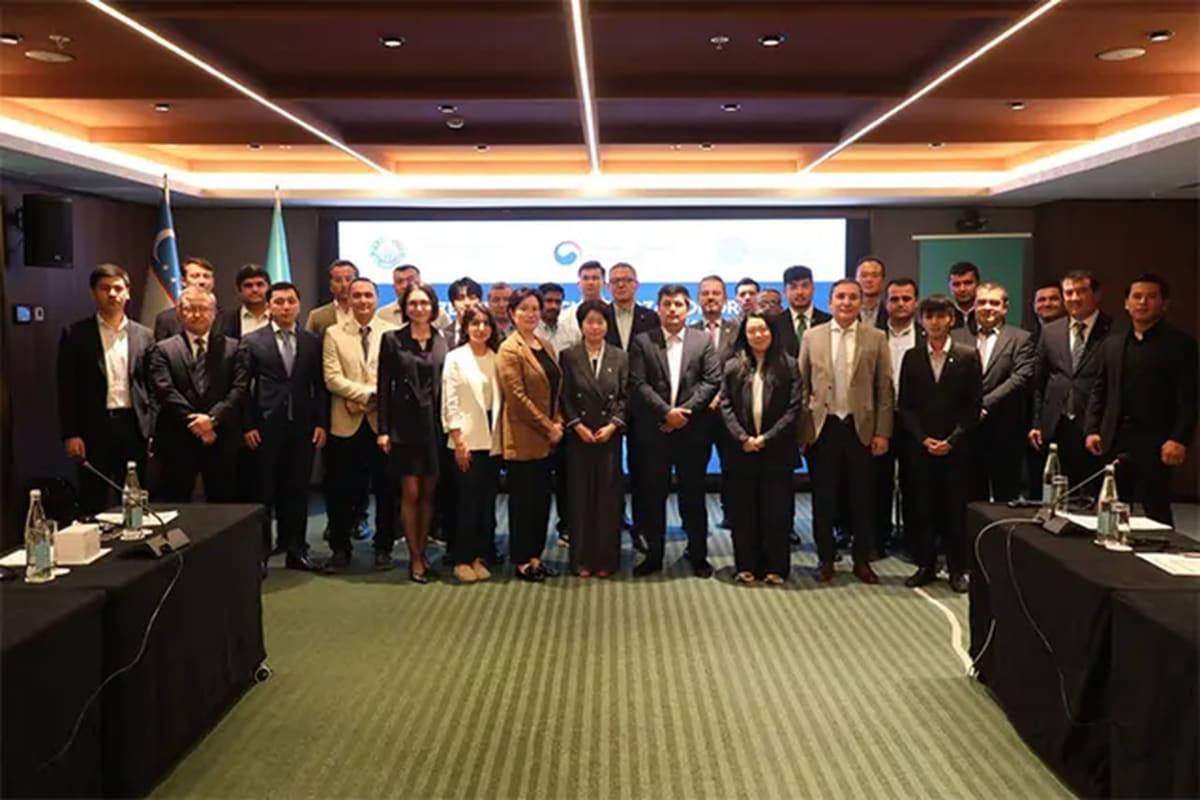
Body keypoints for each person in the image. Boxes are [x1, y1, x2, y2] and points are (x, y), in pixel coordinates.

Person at [798, 278, 893, 584]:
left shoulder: (876, 337)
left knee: (862, 499)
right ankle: (825, 559)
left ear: (861, 302)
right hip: (822, 428)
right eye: (841, 297)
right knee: (823, 498)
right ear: (830, 301)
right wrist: (802, 433)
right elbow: (802, 386)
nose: (847, 302)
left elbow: (884, 389)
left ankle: (862, 560)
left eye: (853, 297)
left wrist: (883, 432)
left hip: (860, 428)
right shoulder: (813, 336)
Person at [1086, 274, 1197, 526]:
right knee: (1111, 507)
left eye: (1151, 297)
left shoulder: (1181, 344)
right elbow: (1099, 391)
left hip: (1157, 443)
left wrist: (1179, 439)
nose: (1142, 302)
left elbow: (1189, 398)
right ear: (1126, 303)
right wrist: (1092, 429)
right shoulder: (1112, 344)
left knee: (1156, 512)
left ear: (1165, 304)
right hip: (1115, 440)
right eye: (1136, 297)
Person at [628, 284, 721, 577]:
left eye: (678, 304)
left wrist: (683, 413)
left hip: (692, 433)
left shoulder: (702, 340)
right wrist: (666, 413)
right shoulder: (643, 342)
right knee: (653, 495)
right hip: (655, 432)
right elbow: (638, 383)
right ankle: (653, 555)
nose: (672, 309)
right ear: (658, 308)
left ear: (687, 308)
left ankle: (698, 554)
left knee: (693, 495)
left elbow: (711, 380)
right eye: (666, 303)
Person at [239, 282, 328, 572]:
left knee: (297, 491)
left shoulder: (312, 341)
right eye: (279, 301)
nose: (285, 306)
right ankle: (260, 554)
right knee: (263, 492)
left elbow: (319, 387)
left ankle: (296, 550)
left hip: (302, 428)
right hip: (265, 428)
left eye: (291, 301)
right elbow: (242, 389)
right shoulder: (252, 341)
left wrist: (320, 423)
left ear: (299, 305)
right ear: (269, 307)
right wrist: (248, 425)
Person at [898, 295, 982, 592]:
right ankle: (926, 565)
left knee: (954, 510)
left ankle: (958, 568)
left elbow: (973, 407)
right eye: (929, 317)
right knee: (923, 507)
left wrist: (951, 440)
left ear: (951, 319)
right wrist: (923, 439)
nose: (934, 322)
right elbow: (905, 406)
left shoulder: (968, 355)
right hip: (921, 448)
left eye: (940, 316)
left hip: (956, 449)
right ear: (922, 322)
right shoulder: (912, 357)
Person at [57, 264, 155, 515]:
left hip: (134, 426)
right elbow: (66, 387)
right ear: (93, 293)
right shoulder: (76, 334)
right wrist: (71, 433)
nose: (112, 294)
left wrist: (152, 428)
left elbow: (153, 387)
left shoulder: (144, 336)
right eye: (105, 288)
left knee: (137, 496)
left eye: (118, 288)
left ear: (128, 293)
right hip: (93, 429)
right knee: (93, 497)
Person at [322, 278, 399, 571]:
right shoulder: (333, 333)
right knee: (340, 489)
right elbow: (332, 377)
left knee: (386, 489)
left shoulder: (392, 333)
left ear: (377, 298)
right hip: (346, 423)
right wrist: (367, 395)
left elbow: (394, 377)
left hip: (382, 424)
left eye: (368, 295)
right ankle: (340, 548)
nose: (363, 300)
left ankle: (384, 548)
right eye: (357, 296)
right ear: (349, 299)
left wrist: (372, 400)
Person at [720, 312, 802, 585]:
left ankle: (776, 567)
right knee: (744, 513)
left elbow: (794, 408)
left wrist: (766, 437)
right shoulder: (733, 366)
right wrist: (742, 437)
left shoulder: (789, 365)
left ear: (772, 332)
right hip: (741, 451)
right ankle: (746, 565)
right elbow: (725, 405)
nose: (758, 335)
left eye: (763, 330)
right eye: (752, 331)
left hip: (776, 451)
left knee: (776, 512)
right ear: (745, 335)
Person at [377, 281, 449, 583]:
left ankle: (423, 547)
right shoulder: (392, 339)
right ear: (405, 307)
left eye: (424, 303)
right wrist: (383, 430)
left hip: (435, 425)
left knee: (429, 493)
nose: (419, 308)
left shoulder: (441, 339)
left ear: (433, 307)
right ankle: (415, 556)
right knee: (411, 492)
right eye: (413, 303)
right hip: (404, 426)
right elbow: (383, 387)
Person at [147, 287, 247, 502]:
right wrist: (198, 424)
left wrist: (212, 420)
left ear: (214, 312)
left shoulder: (234, 347)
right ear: (179, 313)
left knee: (223, 504)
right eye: (190, 309)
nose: (197, 314)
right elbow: (164, 390)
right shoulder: (163, 349)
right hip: (178, 438)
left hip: (221, 437)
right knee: (175, 502)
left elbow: (239, 388)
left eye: (203, 308)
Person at [497, 287, 564, 582]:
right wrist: (548, 427)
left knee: (540, 501)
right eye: (524, 308)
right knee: (523, 502)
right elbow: (517, 398)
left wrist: (558, 422)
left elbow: (556, 390)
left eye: (535, 308)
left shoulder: (545, 345)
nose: (531, 313)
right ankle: (522, 561)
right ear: (512, 313)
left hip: (549, 438)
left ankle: (536, 556)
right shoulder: (509, 349)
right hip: (524, 437)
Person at [560, 300, 628, 577]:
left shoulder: (620, 356)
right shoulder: (569, 356)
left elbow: (626, 396)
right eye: (589, 322)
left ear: (607, 325)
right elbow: (563, 397)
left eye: (600, 322)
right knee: (580, 499)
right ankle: (581, 559)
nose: (595, 327)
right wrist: (577, 425)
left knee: (608, 500)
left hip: (608, 437)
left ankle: (606, 559)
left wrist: (614, 425)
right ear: (581, 325)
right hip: (580, 437)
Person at [952, 281, 1035, 502]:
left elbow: (1020, 378)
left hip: (1004, 429)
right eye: (982, 302)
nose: (988, 307)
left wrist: (984, 404)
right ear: (974, 306)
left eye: (994, 303)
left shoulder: (1021, 338)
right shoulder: (957, 337)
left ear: (1005, 307)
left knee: (1005, 494)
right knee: (970, 496)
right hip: (966, 431)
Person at [1029, 270, 1112, 489]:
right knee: (1053, 492)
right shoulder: (1050, 331)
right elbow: (1039, 382)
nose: (1074, 298)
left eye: (1081, 291)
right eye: (1069, 293)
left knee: (1092, 493)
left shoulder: (1115, 330)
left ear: (1097, 294)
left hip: (1095, 427)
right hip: (1056, 424)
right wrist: (1036, 423)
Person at [441, 304, 504, 584]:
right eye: (474, 323)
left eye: (485, 323)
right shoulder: (455, 358)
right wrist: (458, 440)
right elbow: (449, 401)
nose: (481, 329)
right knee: (465, 502)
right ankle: (462, 558)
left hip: (492, 441)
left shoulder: (496, 357)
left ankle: (480, 555)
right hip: (466, 439)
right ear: (465, 327)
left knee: (486, 503)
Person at [690, 275, 739, 527]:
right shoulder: (688, 333)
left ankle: (733, 517)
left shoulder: (738, 330)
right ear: (698, 299)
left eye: (716, 293)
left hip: (730, 413)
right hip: (698, 415)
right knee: (694, 474)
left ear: (725, 299)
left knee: (734, 470)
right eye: (705, 293)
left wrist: (721, 396)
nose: (710, 297)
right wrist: (702, 400)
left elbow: (741, 368)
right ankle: (695, 528)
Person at [880, 278, 924, 554]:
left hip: (916, 420)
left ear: (915, 302)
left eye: (906, 298)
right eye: (894, 299)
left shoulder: (925, 335)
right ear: (886, 303)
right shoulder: (871, 334)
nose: (900, 304)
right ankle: (880, 536)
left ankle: (913, 538)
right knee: (879, 481)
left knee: (914, 481)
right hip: (881, 418)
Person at [536, 281, 578, 546]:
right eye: (547, 301)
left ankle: (566, 526)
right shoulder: (528, 333)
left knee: (567, 479)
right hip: (535, 419)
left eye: (556, 301)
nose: (552, 306)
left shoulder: (571, 333)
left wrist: (563, 419)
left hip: (566, 417)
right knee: (537, 482)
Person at [773, 264, 832, 358]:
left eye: (805, 286)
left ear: (813, 289)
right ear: (784, 292)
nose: (800, 292)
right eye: (793, 287)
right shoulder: (774, 324)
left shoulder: (829, 321)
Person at [154, 257, 216, 340]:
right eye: (195, 276)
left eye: (206, 276)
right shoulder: (166, 319)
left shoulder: (227, 319)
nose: (202, 281)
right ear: (183, 281)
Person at [604, 263, 658, 349]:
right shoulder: (602, 316)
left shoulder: (651, 317)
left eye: (626, 280)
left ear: (636, 285)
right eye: (615, 281)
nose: (621, 285)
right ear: (608, 286)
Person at [304, 259, 359, 336]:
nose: (344, 285)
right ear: (330, 286)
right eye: (338, 280)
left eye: (348, 279)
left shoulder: (369, 314)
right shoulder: (317, 316)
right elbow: (308, 344)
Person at [219, 264, 271, 339]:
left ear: (269, 288)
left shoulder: (279, 317)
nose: (255, 290)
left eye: (260, 284)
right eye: (248, 285)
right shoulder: (225, 321)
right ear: (239, 291)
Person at [445, 276, 484, 346]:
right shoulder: (442, 336)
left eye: (472, 298)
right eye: (461, 298)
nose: (467, 303)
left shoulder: (491, 332)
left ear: (480, 301)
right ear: (453, 304)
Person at [854, 256, 889, 329]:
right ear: (856, 280)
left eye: (874, 275)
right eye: (864, 275)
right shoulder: (846, 315)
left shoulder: (891, 316)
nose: (869, 280)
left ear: (883, 281)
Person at [947, 261, 980, 331]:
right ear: (949, 286)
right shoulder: (944, 313)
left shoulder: (987, 313)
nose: (962, 289)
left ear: (978, 284)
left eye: (968, 283)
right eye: (956, 284)